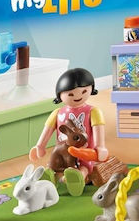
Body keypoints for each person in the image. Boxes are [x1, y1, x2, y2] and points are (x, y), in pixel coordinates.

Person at [29, 68, 108, 196]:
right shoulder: (57, 113)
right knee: (55, 164)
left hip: (85, 151)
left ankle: (78, 177)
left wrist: (100, 147)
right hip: (61, 151)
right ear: (60, 95)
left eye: (84, 91)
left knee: (85, 166)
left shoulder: (93, 112)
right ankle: (52, 176)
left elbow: (98, 129)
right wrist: (40, 146)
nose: (78, 96)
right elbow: (47, 130)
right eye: (71, 94)